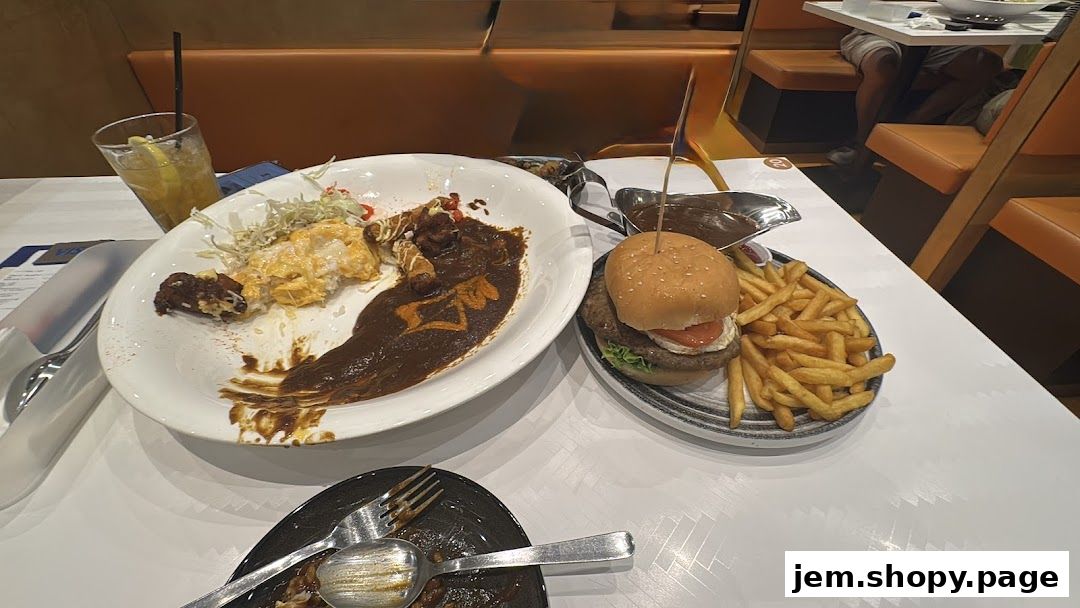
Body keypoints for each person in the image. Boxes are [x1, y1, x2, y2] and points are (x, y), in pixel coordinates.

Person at [827, 30, 1003, 167]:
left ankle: (898, 132)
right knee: (883, 66)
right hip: (876, 32)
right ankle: (862, 143)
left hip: (933, 37)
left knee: (987, 64)